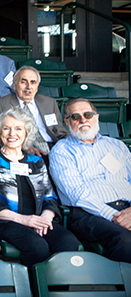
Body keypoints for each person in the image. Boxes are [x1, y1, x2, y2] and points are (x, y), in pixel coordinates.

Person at [0, 108, 79, 267]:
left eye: (18, 128)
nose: (12, 134)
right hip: (6, 221)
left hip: (38, 218)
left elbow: (50, 197)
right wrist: (25, 220)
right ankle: (34, 289)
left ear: (26, 133)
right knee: (37, 247)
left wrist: (45, 218)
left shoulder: (36, 161)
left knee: (68, 242)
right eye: (6, 128)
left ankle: (57, 289)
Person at [50, 98, 131, 263]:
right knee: (125, 239)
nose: (83, 120)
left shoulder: (117, 146)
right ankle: (118, 286)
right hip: (88, 214)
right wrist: (114, 216)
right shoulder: (62, 151)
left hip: (127, 209)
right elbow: (76, 194)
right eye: (75, 116)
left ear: (97, 117)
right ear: (66, 122)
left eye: (87, 114)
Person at [0, 66, 67, 158]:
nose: (28, 87)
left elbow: (60, 132)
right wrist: (23, 147)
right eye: (23, 82)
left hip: (52, 147)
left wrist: (62, 148)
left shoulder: (49, 103)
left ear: (37, 87)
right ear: (14, 85)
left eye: (33, 82)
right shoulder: (1, 104)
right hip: (21, 149)